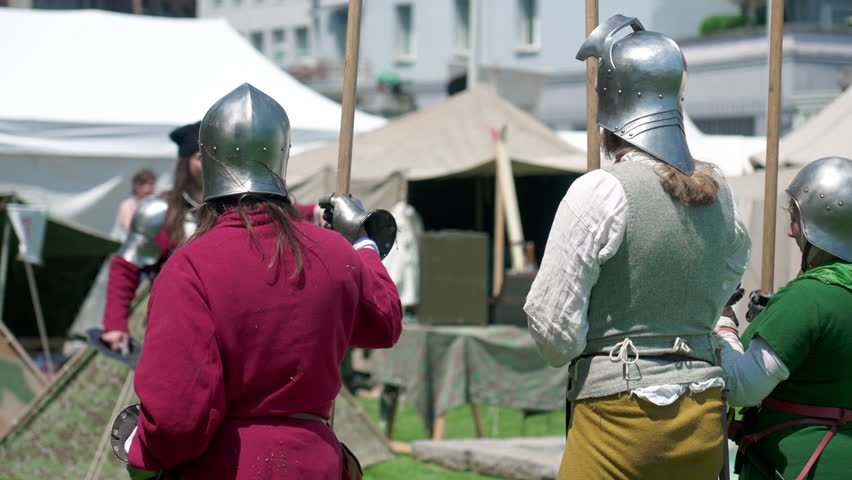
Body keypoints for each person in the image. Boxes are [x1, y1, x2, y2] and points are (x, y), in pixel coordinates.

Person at [119, 83, 402, 479]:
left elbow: (177, 418)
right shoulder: (336, 253)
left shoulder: (191, 264)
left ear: (211, 159)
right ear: (280, 155)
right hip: (316, 465)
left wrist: (141, 450)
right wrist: (362, 243)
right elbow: (384, 322)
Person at [524, 15, 751, 479]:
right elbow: (724, 282)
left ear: (610, 102)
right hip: (704, 416)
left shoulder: (600, 192)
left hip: (620, 423)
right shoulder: (723, 194)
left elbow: (554, 335)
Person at [99, 122, 317, 352]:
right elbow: (125, 268)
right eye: (199, 156)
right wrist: (115, 324)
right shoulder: (159, 212)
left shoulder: (241, 204)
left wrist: (320, 210)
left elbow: (284, 214)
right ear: (184, 162)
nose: (207, 162)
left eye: (214, 155)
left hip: (237, 330)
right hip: (178, 328)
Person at [714, 156, 852, 480]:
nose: (790, 232)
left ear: (822, 225)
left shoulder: (809, 298)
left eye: (795, 219)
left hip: (804, 467)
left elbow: (741, 388)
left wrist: (722, 323)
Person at [112, 169, 157, 241]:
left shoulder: (152, 205)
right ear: (138, 185)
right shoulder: (127, 205)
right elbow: (131, 229)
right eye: (149, 184)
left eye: (153, 184)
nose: (152, 189)